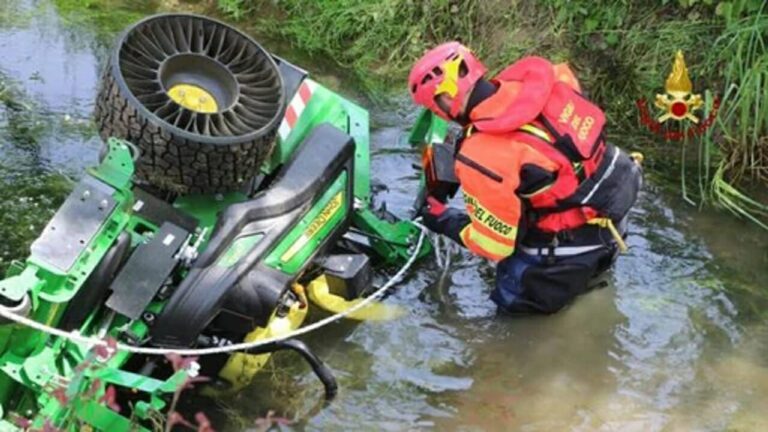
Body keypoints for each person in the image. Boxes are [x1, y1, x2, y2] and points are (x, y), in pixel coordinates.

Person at [409, 42, 643, 314]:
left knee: (514, 316)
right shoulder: (554, 79)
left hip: (563, 251)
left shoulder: (482, 155)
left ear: (445, 99)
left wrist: (444, 219)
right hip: (614, 209)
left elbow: (495, 244)